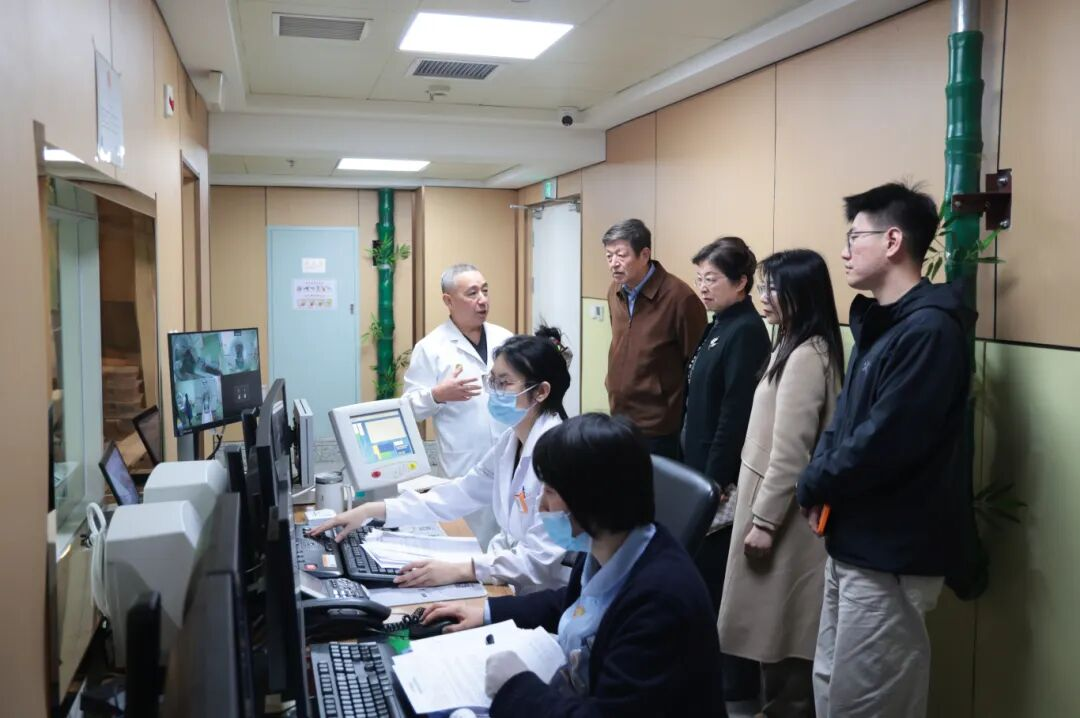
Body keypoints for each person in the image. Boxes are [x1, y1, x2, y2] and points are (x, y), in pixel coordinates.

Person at [795, 182, 975, 718]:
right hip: (852, 543)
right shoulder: (882, 324)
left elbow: (885, 441)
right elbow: (844, 422)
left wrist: (814, 481)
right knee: (833, 688)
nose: (844, 251)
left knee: (871, 702)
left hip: (892, 552)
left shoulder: (930, 330)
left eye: (855, 237)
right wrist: (817, 478)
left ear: (893, 241)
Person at [421, 414, 722, 716]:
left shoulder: (660, 601)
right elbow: (570, 602)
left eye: (550, 492)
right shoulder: (609, 544)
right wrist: (486, 612)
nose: (540, 505)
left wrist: (515, 686)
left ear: (592, 500)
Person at [313, 328, 574, 594]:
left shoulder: (560, 457)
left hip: (547, 594)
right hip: (512, 580)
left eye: (504, 383)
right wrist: (373, 510)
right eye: (492, 381)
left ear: (541, 392)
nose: (493, 392)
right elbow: (460, 493)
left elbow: (538, 562)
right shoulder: (511, 442)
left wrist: (461, 570)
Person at [717, 249, 844, 717]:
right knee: (773, 643)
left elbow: (791, 453)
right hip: (771, 505)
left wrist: (765, 522)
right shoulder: (792, 343)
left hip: (783, 520)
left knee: (785, 643)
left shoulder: (808, 355)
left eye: (774, 288)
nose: (764, 296)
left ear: (800, 294)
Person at [682, 236, 771, 716]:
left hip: (721, 482)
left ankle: (733, 689)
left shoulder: (747, 332)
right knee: (701, 580)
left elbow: (734, 416)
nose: (703, 287)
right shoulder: (719, 325)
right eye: (699, 278)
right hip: (699, 471)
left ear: (741, 282)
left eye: (712, 279)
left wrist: (714, 482)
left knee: (719, 583)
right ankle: (708, 678)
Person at [402, 264, 513, 545]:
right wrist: (437, 394)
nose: (483, 300)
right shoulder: (431, 348)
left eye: (485, 291)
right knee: (469, 542)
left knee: (511, 537)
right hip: (464, 463)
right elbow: (407, 409)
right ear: (448, 301)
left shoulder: (505, 339)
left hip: (510, 456)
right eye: (472, 293)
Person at [603, 219, 707, 459]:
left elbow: (696, 364)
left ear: (644, 254)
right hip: (619, 414)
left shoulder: (680, 298)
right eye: (609, 256)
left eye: (621, 255)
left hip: (659, 425)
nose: (614, 263)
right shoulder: (614, 290)